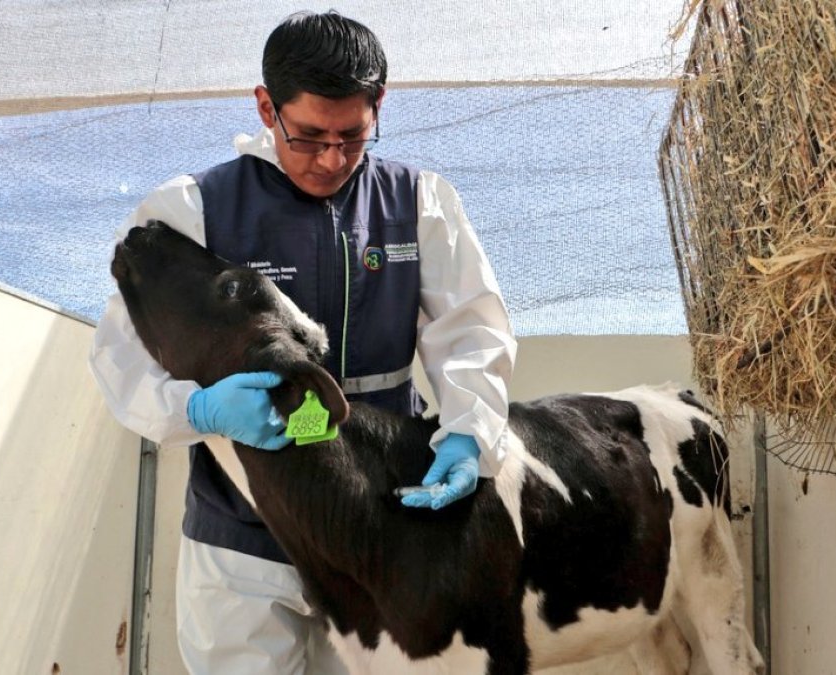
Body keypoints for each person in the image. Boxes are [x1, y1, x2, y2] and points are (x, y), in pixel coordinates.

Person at [89, 10, 516, 673]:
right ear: (266, 106)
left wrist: (468, 430)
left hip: (380, 536)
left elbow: (472, 330)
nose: (331, 159)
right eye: (309, 135)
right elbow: (120, 356)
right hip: (244, 537)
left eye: (353, 137)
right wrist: (194, 409)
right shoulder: (191, 211)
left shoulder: (419, 202)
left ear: (379, 106)